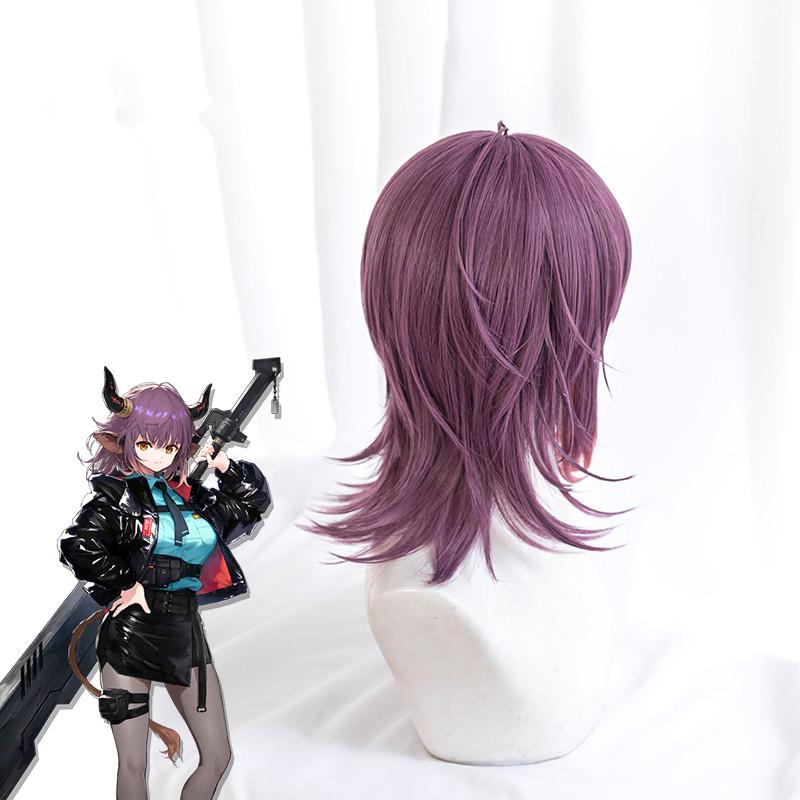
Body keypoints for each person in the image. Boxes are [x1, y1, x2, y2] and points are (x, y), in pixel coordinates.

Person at [59, 368, 271, 800]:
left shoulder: (194, 500)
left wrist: (225, 467)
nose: (157, 455)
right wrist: (125, 584)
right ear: (126, 441)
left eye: (170, 446)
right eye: (146, 443)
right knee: (134, 764)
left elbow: (251, 503)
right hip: (132, 633)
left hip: (184, 630)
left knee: (216, 757)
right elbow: (78, 544)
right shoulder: (117, 498)